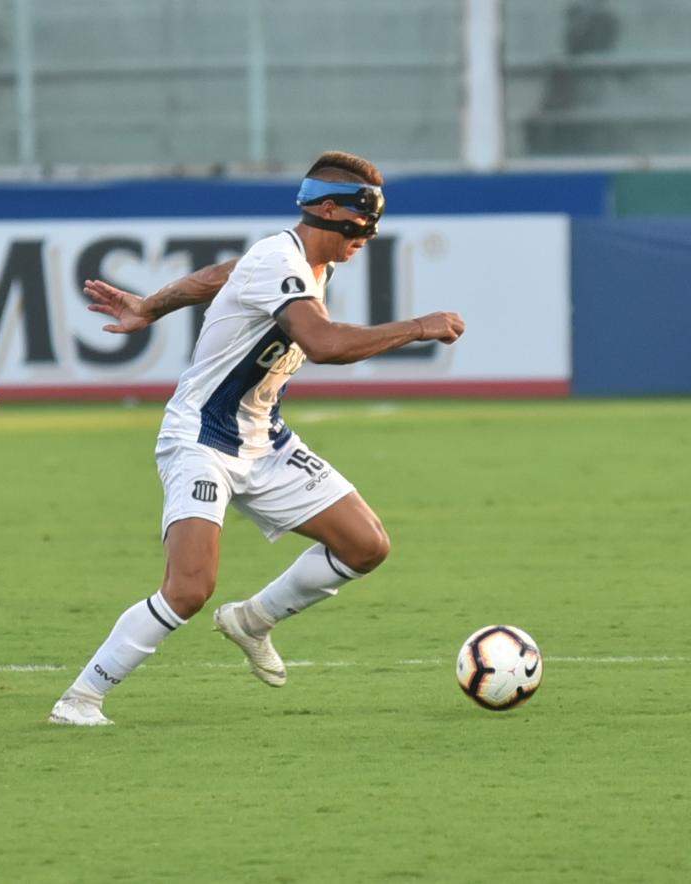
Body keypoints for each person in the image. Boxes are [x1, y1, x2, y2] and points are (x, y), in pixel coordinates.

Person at [48, 150, 465, 726]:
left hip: (263, 440)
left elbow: (220, 276)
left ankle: (252, 619)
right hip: (200, 438)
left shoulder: (302, 262)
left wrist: (150, 305)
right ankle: (81, 698)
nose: (367, 234)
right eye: (360, 223)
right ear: (325, 209)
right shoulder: (279, 258)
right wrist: (419, 327)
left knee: (365, 546)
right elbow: (323, 344)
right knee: (190, 588)